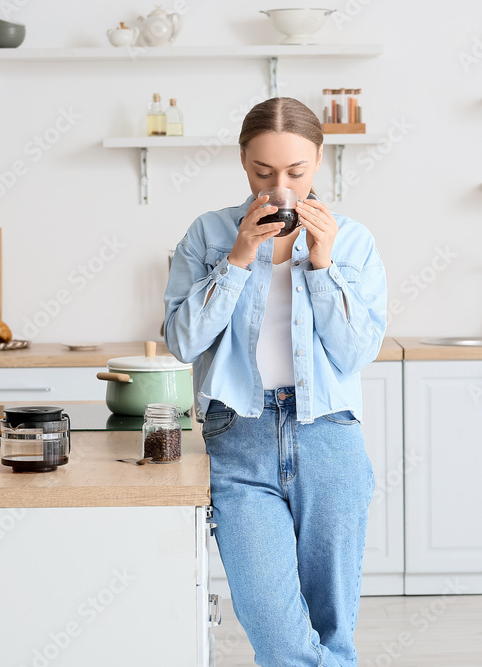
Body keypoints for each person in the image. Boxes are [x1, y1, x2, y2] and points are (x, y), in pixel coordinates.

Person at [163, 96, 387, 666]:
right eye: (264, 172)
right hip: (239, 439)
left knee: (331, 629)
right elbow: (182, 341)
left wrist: (322, 264)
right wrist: (239, 256)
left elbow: (358, 351)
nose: (280, 185)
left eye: (296, 172)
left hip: (328, 437)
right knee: (277, 632)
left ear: (319, 161)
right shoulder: (210, 235)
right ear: (243, 162)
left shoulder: (352, 241)